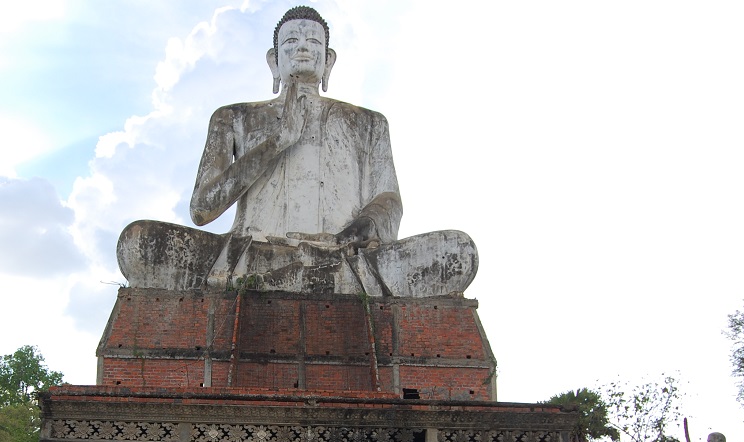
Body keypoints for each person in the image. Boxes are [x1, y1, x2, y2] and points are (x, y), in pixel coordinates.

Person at [116, 6, 478, 297]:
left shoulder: (369, 123)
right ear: (274, 60)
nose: (303, 47)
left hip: (345, 257)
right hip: (254, 254)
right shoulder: (235, 118)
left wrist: (346, 238)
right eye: (291, 41)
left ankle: (310, 275)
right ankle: (307, 278)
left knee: (457, 252)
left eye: (313, 42)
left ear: (328, 60)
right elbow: (202, 208)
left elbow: (389, 202)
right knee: (138, 243)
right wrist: (278, 140)